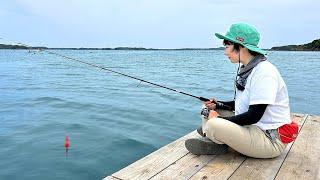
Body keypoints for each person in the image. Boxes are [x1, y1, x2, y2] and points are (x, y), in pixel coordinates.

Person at [185, 23, 292, 158]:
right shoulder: (250, 68)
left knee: (213, 124)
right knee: (206, 109)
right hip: (254, 128)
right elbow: (243, 103)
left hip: (269, 140)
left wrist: (220, 120)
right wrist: (218, 104)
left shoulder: (264, 72)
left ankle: (215, 136)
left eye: (227, 46)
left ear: (241, 46)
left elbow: (254, 115)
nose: (225, 52)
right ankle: (217, 137)